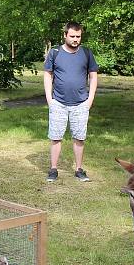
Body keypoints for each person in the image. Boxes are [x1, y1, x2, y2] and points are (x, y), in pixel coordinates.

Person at [44, 21, 99, 183]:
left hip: (81, 103)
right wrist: (49, 98)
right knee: (55, 137)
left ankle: (79, 169)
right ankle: (53, 169)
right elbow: (48, 74)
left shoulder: (87, 53)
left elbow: (93, 76)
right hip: (58, 103)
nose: (75, 39)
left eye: (78, 36)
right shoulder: (55, 53)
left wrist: (90, 99)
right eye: (72, 36)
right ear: (65, 35)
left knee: (79, 138)